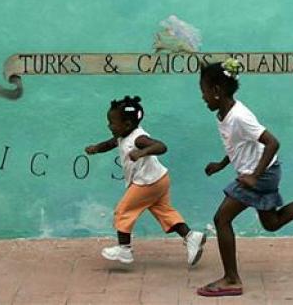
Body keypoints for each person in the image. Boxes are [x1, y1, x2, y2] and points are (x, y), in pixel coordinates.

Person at [196, 58, 293, 298]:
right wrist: (221, 164)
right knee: (272, 223)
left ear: (216, 91)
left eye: (203, 91)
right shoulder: (224, 114)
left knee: (221, 219)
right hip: (261, 172)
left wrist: (254, 176)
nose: (202, 97)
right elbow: (237, 145)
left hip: (262, 174)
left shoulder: (239, 116)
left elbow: (272, 142)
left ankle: (232, 279)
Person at [85, 95, 206, 266]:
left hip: (148, 183)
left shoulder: (138, 138)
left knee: (123, 211)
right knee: (164, 211)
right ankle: (191, 237)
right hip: (159, 180)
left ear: (127, 124)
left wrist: (141, 152)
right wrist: (96, 148)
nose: (109, 126)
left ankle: (124, 249)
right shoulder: (122, 136)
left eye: (112, 123)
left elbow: (161, 146)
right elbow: (110, 144)